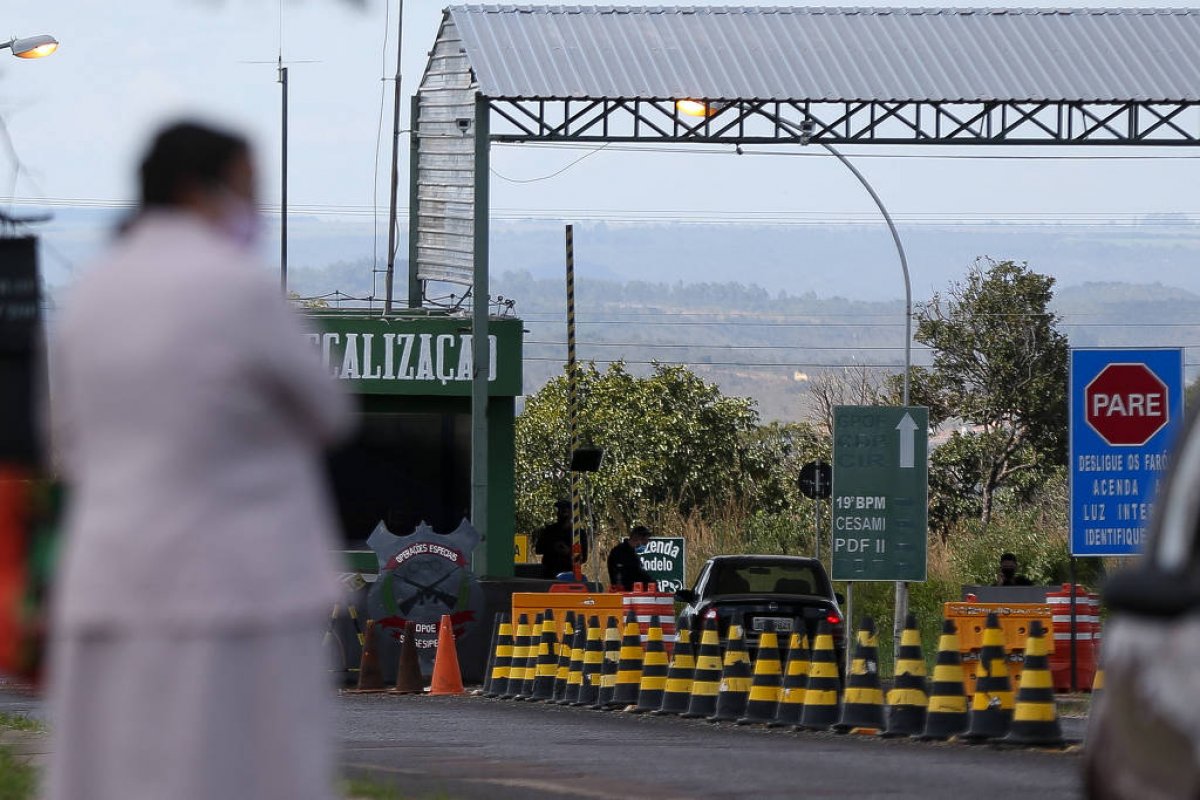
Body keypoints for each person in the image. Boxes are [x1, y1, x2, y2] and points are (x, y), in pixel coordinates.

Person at [45, 121, 352, 800]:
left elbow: (65, 440)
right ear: (196, 189)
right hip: (237, 587)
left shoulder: (90, 294)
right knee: (243, 771)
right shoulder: (238, 286)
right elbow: (329, 411)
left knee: (115, 771)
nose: (254, 210)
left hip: (110, 578)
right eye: (246, 189)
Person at [533, 498, 587, 579]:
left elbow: (583, 558)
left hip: (569, 575)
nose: (560, 514)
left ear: (571, 513)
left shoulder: (578, 533)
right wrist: (553, 547)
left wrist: (569, 551)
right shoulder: (549, 530)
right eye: (559, 511)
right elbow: (538, 549)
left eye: (564, 511)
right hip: (549, 574)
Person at [608, 525, 653, 591]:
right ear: (639, 538)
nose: (646, 544)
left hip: (634, 590)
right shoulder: (620, 552)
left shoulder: (631, 553)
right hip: (624, 592)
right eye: (645, 542)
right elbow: (629, 573)